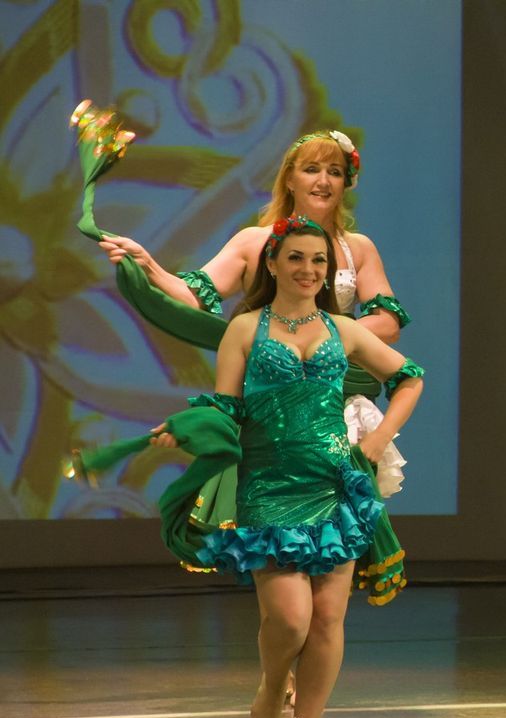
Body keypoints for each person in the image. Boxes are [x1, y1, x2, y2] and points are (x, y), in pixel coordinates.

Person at [150, 216, 424, 718]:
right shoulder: (244, 329)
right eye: (296, 257)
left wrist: (377, 441)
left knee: (327, 620)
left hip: (335, 485)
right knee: (291, 619)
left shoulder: (343, 330)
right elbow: (225, 409)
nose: (308, 269)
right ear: (272, 264)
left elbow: (409, 376)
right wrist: (188, 429)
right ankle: (274, 682)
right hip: (269, 486)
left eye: (319, 260)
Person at [99, 129, 410, 495]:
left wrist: (316, 335)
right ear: (290, 179)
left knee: (343, 516)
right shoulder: (254, 243)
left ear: (345, 184)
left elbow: (388, 324)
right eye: (312, 169)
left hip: (337, 405)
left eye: (335, 172)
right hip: (270, 404)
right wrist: (149, 265)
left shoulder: (358, 249)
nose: (324, 181)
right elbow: (195, 296)